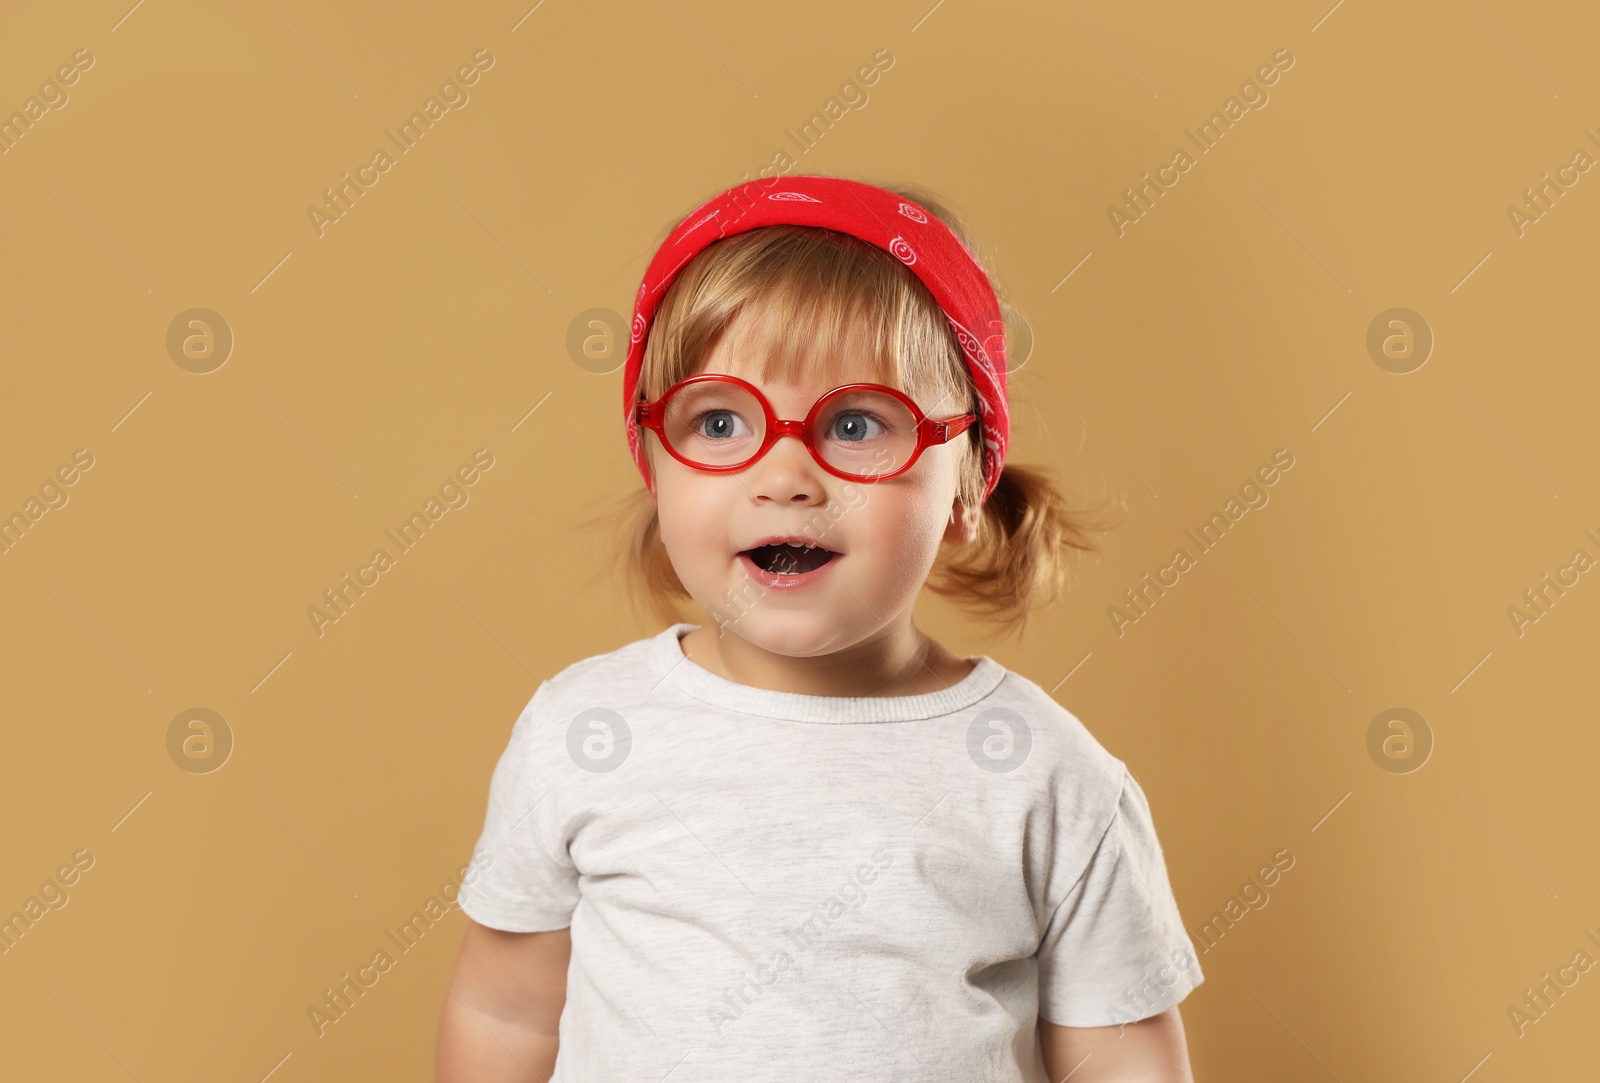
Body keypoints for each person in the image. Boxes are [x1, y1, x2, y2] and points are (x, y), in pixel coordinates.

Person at [435, 173, 1203, 1081]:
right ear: (654, 465)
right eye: (719, 420)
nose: (788, 473)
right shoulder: (584, 733)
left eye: (854, 423)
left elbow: (1121, 1063)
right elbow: (504, 1014)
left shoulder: (1046, 776)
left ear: (966, 484)